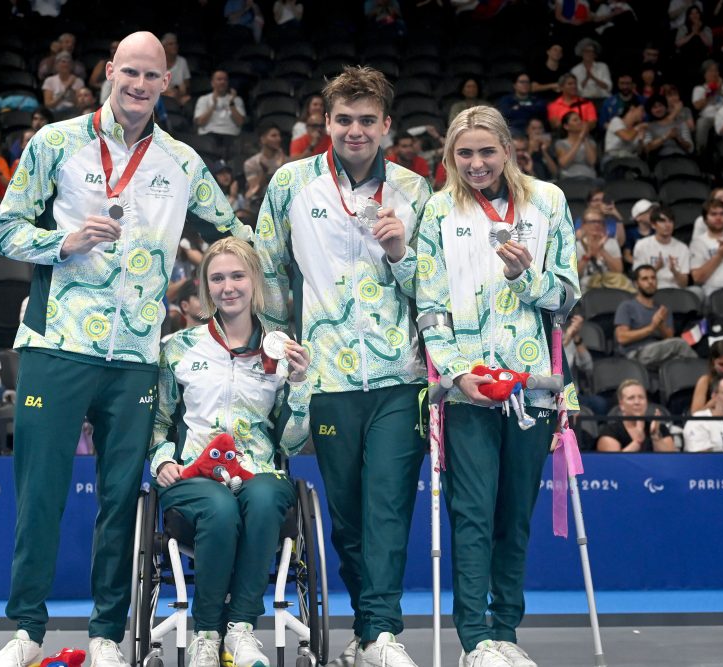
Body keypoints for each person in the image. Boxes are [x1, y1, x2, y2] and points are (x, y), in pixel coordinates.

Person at [0, 32, 253, 667]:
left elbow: (234, 232)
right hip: (57, 344)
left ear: (167, 83)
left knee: (119, 501)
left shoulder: (182, 162)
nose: (139, 85)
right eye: (130, 71)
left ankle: (106, 633)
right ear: (110, 72)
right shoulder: (55, 143)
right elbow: (3, 231)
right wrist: (63, 242)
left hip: (134, 355)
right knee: (40, 495)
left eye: (152, 76)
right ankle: (27, 631)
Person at [255, 65, 431, 667]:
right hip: (325, 378)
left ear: (387, 125)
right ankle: (365, 632)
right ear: (326, 122)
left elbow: (433, 286)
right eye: (344, 120)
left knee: (388, 505)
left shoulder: (414, 191)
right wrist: (277, 343)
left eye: (367, 121)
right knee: (348, 513)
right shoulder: (291, 183)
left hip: (399, 377)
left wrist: (400, 254)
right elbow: (268, 269)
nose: (356, 131)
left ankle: (381, 632)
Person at [415, 104, 580, 667]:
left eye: (487, 151)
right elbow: (430, 307)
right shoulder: (438, 210)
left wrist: (524, 276)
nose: (477, 163)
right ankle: (475, 640)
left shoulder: (548, 202)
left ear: (508, 150)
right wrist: (456, 373)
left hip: (533, 389)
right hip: (469, 390)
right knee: (472, 514)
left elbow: (567, 296)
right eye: (464, 153)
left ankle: (506, 631)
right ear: (450, 157)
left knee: (514, 517)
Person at [150, 238, 313, 667]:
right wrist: (163, 459)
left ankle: (240, 629)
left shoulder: (281, 351)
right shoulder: (179, 347)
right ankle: (207, 634)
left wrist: (299, 385)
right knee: (219, 507)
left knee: (262, 497)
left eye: (237, 276)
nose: (228, 287)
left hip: (258, 471)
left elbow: (292, 443)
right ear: (206, 286)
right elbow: (158, 421)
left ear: (254, 280)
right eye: (217, 278)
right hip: (193, 474)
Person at [613, 264, 697, 367]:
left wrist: (661, 324)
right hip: (636, 354)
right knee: (679, 344)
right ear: (636, 284)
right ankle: (705, 373)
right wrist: (651, 328)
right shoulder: (627, 306)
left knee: (680, 361)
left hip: (660, 354)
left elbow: (669, 338)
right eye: (645, 279)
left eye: (653, 278)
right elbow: (621, 338)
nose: (650, 282)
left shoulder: (662, 309)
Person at [596, 380, 675, 452]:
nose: (637, 402)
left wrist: (655, 436)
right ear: (621, 405)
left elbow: (669, 459)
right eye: (631, 398)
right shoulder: (609, 432)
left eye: (641, 397)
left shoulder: (660, 429)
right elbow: (615, 461)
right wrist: (638, 441)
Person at [632, 205, 692, 290]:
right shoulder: (642, 245)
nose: (667, 225)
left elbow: (684, 284)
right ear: (653, 225)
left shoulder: (683, 248)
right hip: (651, 290)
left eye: (670, 221)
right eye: (662, 221)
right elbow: (638, 280)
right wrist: (655, 268)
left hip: (676, 291)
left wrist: (674, 271)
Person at [193, 69, 246, 154]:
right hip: (209, 135)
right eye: (219, 79)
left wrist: (231, 104)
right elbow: (200, 122)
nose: (222, 82)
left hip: (230, 135)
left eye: (225, 80)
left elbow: (240, 122)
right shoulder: (203, 99)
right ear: (212, 83)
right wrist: (213, 106)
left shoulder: (236, 99)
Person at [577, 211, 632, 291]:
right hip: (587, 286)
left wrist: (602, 250)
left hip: (612, 283)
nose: (597, 225)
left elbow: (618, 270)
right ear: (583, 225)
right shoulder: (576, 246)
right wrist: (588, 255)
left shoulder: (612, 243)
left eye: (600, 222)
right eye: (592, 222)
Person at [244, 123, 286, 208]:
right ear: (263, 139)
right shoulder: (251, 163)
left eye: (279, 136)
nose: (279, 139)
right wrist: (264, 173)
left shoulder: (285, 160)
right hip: (260, 205)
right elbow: (255, 191)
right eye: (274, 136)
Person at [602, 101, 646, 170]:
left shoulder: (636, 129)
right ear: (632, 108)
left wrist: (641, 140)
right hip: (613, 158)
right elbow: (627, 137)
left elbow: (639, 152)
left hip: (630, 159)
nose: (644, 115)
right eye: (642, 110)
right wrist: (638, 127)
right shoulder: (616, 121)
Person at [555, 111, 598, 180]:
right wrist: (580, 139)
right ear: (566, 126)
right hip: (568, 178)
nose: (580, 122)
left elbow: (592, 161)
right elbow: (563, 163)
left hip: (588, 177)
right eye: (575, 120)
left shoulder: (591, 142)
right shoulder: (560, 143)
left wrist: (585, 138)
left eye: (580, 119)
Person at [160, 33, 191, 106]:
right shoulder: (157, 62)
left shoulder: (182, 61)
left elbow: (187, 84)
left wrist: (182, 88)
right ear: (164, 47)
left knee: (187, 100)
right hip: (161, 95)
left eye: (175, 43)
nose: (175, 46)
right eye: (171, 44)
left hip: (179, 95)